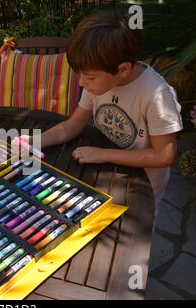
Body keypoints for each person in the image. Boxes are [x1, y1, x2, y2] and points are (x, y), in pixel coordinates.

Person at [16, 10, 183, 214]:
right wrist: (36, 141)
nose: (81, 83)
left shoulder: (157, 95)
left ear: (123, 70)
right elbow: (73, 125)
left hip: (143, 185)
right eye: (80, 75)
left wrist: (102, 154)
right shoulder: (97, 83)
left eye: (90, 77)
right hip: (110, 173)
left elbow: (163, 156)